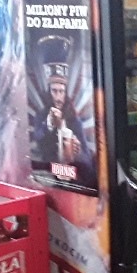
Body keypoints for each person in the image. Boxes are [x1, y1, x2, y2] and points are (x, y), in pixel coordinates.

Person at [32, 34, 92, 180]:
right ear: (49, 92)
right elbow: (37, 140)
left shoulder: (75, 121)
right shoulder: (41, 116)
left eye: (61, 91)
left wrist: (78, 152)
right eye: (54, 91)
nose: (58, 97)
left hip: (73, 181)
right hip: (47, 179)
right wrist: (50, 124)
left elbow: (89, 164)